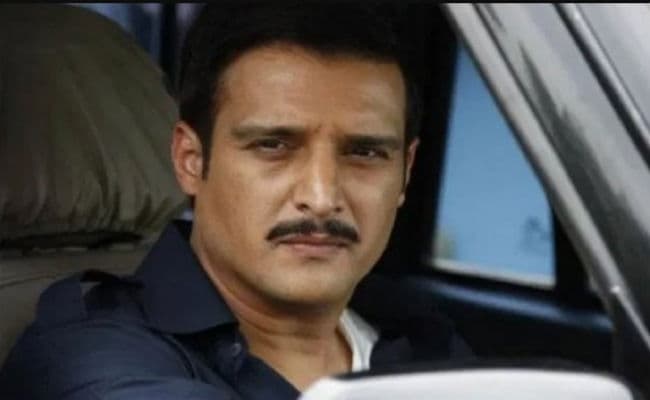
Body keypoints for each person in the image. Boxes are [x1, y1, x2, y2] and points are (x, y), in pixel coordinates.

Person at [0, 2, 472, 399]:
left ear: (406, 171)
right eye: (273, 146)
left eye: (364, 153)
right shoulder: (90, 357)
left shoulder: (423, 338)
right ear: (190, 160)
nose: (321, 197)